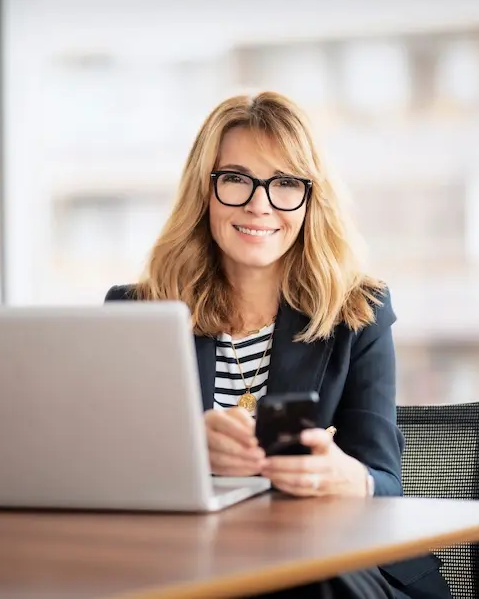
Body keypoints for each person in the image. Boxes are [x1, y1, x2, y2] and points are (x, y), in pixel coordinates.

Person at [104, 91, 452, 599]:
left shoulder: (358, 312)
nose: (259, 204)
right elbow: (105, 472)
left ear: (311, 199)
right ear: (205, 191)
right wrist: (186, 451)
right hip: (188, 567)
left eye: (286, 183)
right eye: (236, 179)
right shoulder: (138, 313)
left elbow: (384, 482)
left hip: (330, 566)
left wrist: (344, 477)